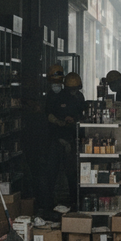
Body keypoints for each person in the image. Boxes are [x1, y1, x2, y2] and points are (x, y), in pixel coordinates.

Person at [42, 70, 85, 214]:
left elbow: (82, 115)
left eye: (75, 89)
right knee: (51, 174)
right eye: (71, 89)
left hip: (71, 140)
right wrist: (60, 122)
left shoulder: (79, 98)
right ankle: (47, 206)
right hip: (56, 140)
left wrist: (75, 120)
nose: (74, 91)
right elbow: (49, 116)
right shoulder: (58, 98)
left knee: (72, 174)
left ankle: (74, 204)